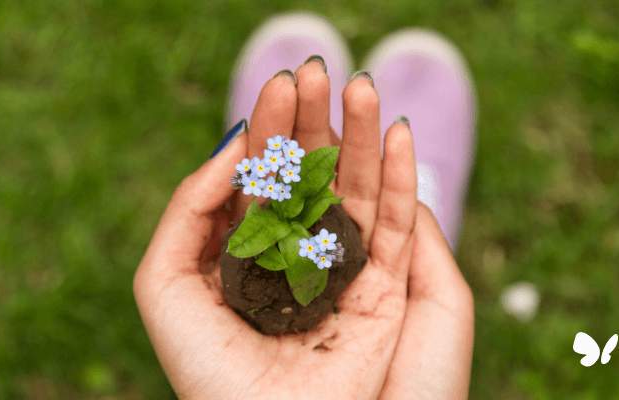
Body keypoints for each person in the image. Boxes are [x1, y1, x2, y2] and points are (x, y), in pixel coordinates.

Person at [133, 11, 476, 399]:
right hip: (300, 242)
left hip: (305, 240)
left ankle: (397, 221)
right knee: (397, 202)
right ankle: (409, 218)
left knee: (331, 172)